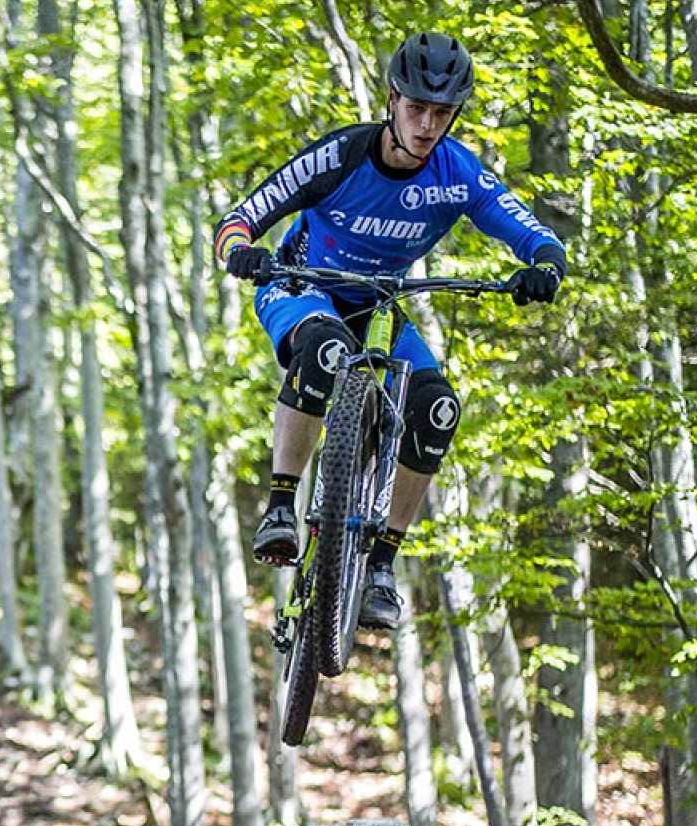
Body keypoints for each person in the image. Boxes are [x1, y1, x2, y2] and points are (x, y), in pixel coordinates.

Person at [213, 31, 567, 631]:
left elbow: (533, 232)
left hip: (381, 305)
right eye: (417, 109)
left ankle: (379, 567)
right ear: (392, 100)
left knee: (438, 410)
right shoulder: (342, 156)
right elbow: (240, 217)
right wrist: (242, 249)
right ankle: (280, 507)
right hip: (304, 286)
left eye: (442, 113)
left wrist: (545, 265)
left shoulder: (458, 174)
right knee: (324, 352)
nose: (428, 125)